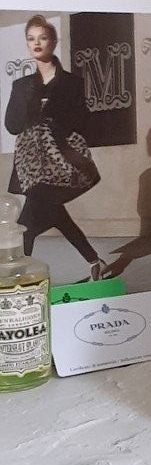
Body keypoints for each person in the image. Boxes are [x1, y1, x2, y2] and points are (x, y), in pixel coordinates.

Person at [4, 15, 106, 281]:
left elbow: (82, 122)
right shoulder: (21, 85)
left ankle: (18, 277)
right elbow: (12, 126)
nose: (36, 43)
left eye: (43, 37)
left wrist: (52, 124)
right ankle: (95, 262)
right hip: (31, 165)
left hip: (59, 161)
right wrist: (29, 101)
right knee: (50, 216)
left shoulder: (72, 83)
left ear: (53, 41)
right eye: (31, 39)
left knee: (29, 223)